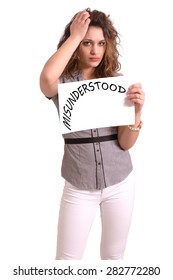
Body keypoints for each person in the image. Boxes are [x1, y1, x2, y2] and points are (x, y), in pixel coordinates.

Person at [39, 8, 145, 260]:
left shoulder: (116, 83)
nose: (95, 50)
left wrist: (137, 114)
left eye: (100, 43)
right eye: (87, 43)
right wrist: (75, 36)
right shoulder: (63, 84)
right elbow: (46, 78)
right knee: (66, 262)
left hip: (120, 182)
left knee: (114, 258)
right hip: (79, 184)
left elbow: (125, 143)